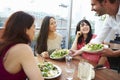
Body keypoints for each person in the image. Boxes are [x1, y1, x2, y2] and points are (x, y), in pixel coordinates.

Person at [0, 11, 44, 80]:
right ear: (25, 30)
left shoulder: (5, 44)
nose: (35, 30)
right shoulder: (23, 49)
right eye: (33, 27)